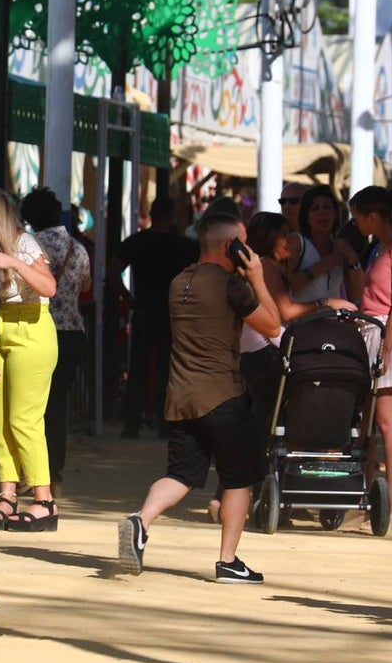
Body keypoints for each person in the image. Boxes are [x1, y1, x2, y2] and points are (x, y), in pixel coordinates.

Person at [117, 212, 280, 583]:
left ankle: (140, 521)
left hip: (180, 396)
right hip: (224, 396)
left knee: (181, 474)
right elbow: (273, 327)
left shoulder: (179, 281)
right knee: (239, 479)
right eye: (243, 243)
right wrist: (257, 277)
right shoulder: (232, 286)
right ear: (230, 246)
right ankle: (228, 561)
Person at [206, 212, 354, 522]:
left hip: (249, 353)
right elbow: (283, 312)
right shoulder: (266, 267)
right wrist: (327, 305)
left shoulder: (259, 266)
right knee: (265, 429)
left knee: (257, 428)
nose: (291, 242)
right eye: (285, 236)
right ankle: (243, 497)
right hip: (263, 354)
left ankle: (231, 497)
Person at [0, 186, 60, 531]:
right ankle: (8, 493)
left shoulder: (24, 243)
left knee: (25, 418)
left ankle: (44, 499)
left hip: (31, 328)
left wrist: (12, 262)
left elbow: (49, 287)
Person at [350, 186, 392, 529]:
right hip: (371, 332)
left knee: (389, 419)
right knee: (369, 421)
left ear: (372, 216)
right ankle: (369, 499)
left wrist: (386, 348)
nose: (355, 223)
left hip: (389, 334)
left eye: (358, 216)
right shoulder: (379, 246)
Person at [21, 187, 91, 496]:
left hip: (38, 329)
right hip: (73, 331)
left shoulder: (31, 245)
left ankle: (30, 475)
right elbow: (87, 285)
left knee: (29, 406)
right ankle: (54, 472)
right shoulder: (78, 247)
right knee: (58, 404)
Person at [113, 197, 198, 438]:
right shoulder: (184, 245)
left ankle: (132, 424)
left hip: (143, 309)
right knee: (167, 370)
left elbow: (113, 270)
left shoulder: (138, 242)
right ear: (172, 217)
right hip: (173, 313)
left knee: (138, 367)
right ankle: (165, 424)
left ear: (151, 214)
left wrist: (127, 297)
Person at [287, 185, 363, 305]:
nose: (322, 213)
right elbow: (285, 287)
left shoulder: (340, 247)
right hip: (303, 322)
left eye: (327, 207)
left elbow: (357, 295)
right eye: (315, 209)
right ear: (306, 216)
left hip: (333, 321)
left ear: (335, 214)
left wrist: (353, 260)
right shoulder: (297, 243)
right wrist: (322, 266)